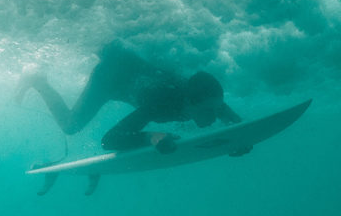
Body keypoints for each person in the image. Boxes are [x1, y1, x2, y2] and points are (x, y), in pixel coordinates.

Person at [15, 41, 241, 152]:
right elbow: (109, 140)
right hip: (110, 77)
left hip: (133, 65)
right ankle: (37, 80)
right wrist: (152, 136)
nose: (215, 116)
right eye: (209, 111)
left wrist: (239, 140)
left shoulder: (204, 98)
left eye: (217, 108)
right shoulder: (161, 104)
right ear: (191, 104)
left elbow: (235, 124)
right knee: (71, 126)